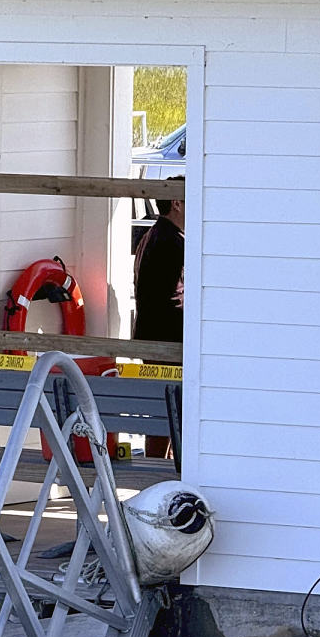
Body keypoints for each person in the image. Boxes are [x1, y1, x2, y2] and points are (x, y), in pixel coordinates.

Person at [133, 178, 184, 457]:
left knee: (162, 410)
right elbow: (172, 299)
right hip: (168, 341)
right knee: (172, 411)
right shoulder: (173, 243)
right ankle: (163, 472)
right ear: (176, 203)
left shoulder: (151, 236)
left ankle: (158, 470)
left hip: (149, 335)